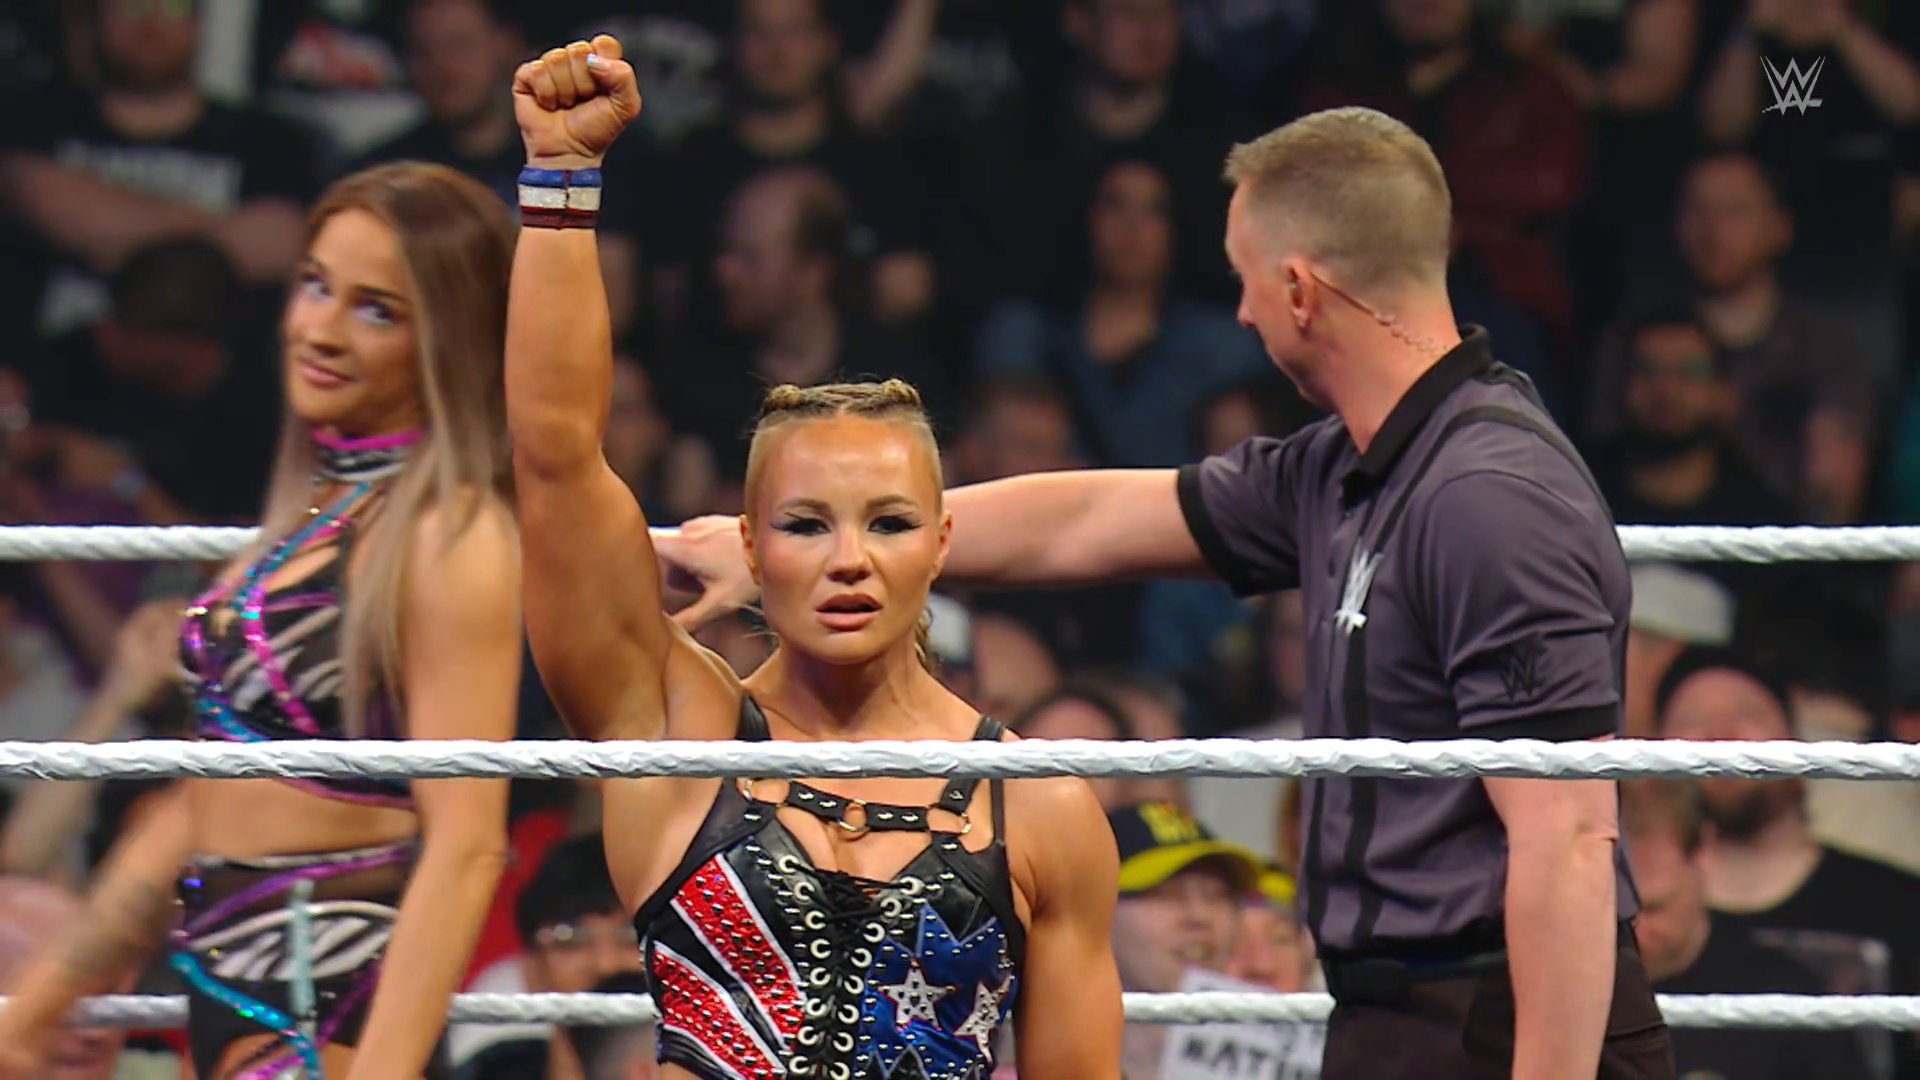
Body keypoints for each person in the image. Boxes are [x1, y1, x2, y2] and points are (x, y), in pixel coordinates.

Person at [659, 106, 1675, 1079]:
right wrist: (824, 544)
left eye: (1243, 279)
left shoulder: (1489, 496)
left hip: (1502, 1012)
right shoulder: (1348, 470)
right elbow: (1091, 520)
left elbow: (1570, 844)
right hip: (1403, 1013)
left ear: (1299, 289)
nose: (1239, 312)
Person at [503, 34, 1123, 1080]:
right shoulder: (676, 731)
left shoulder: (1040, 806)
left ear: (941, 546)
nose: (849, 561)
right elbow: (557, 459)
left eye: (888, 524)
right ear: (750, 548)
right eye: (805, 526)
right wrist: (561, 183)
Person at [0, 161, 526, 1080]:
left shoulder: (452, 534)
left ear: (449, 339)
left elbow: (468, 843)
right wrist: (33, 1011)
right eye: (315, 286)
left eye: (376, 310)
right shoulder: (308, 526)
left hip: (330, 990)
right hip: (234, 974)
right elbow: (197, 804)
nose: (319, 329)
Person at [1620, 778, 1869, 1080]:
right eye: (1615, 916)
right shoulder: (1574, 1001)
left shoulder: (1784, 1004)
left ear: (1703, 853)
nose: (1635, 933)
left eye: (1655, 908)